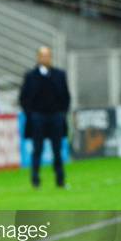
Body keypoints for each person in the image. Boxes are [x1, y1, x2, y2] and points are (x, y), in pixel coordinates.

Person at [20, 46, 70, 188]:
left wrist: (62, 113)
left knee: (57, 150)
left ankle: (60, 179)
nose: (45, 58)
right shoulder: (31, 76)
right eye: (42, 56)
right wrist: (31, 115)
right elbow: (24, 98)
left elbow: (65, 96)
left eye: (47, 56)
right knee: (37, 149)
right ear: (38, 57)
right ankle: (35, 179)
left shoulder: (59, 75)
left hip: (55, 116)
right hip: (38, 117)